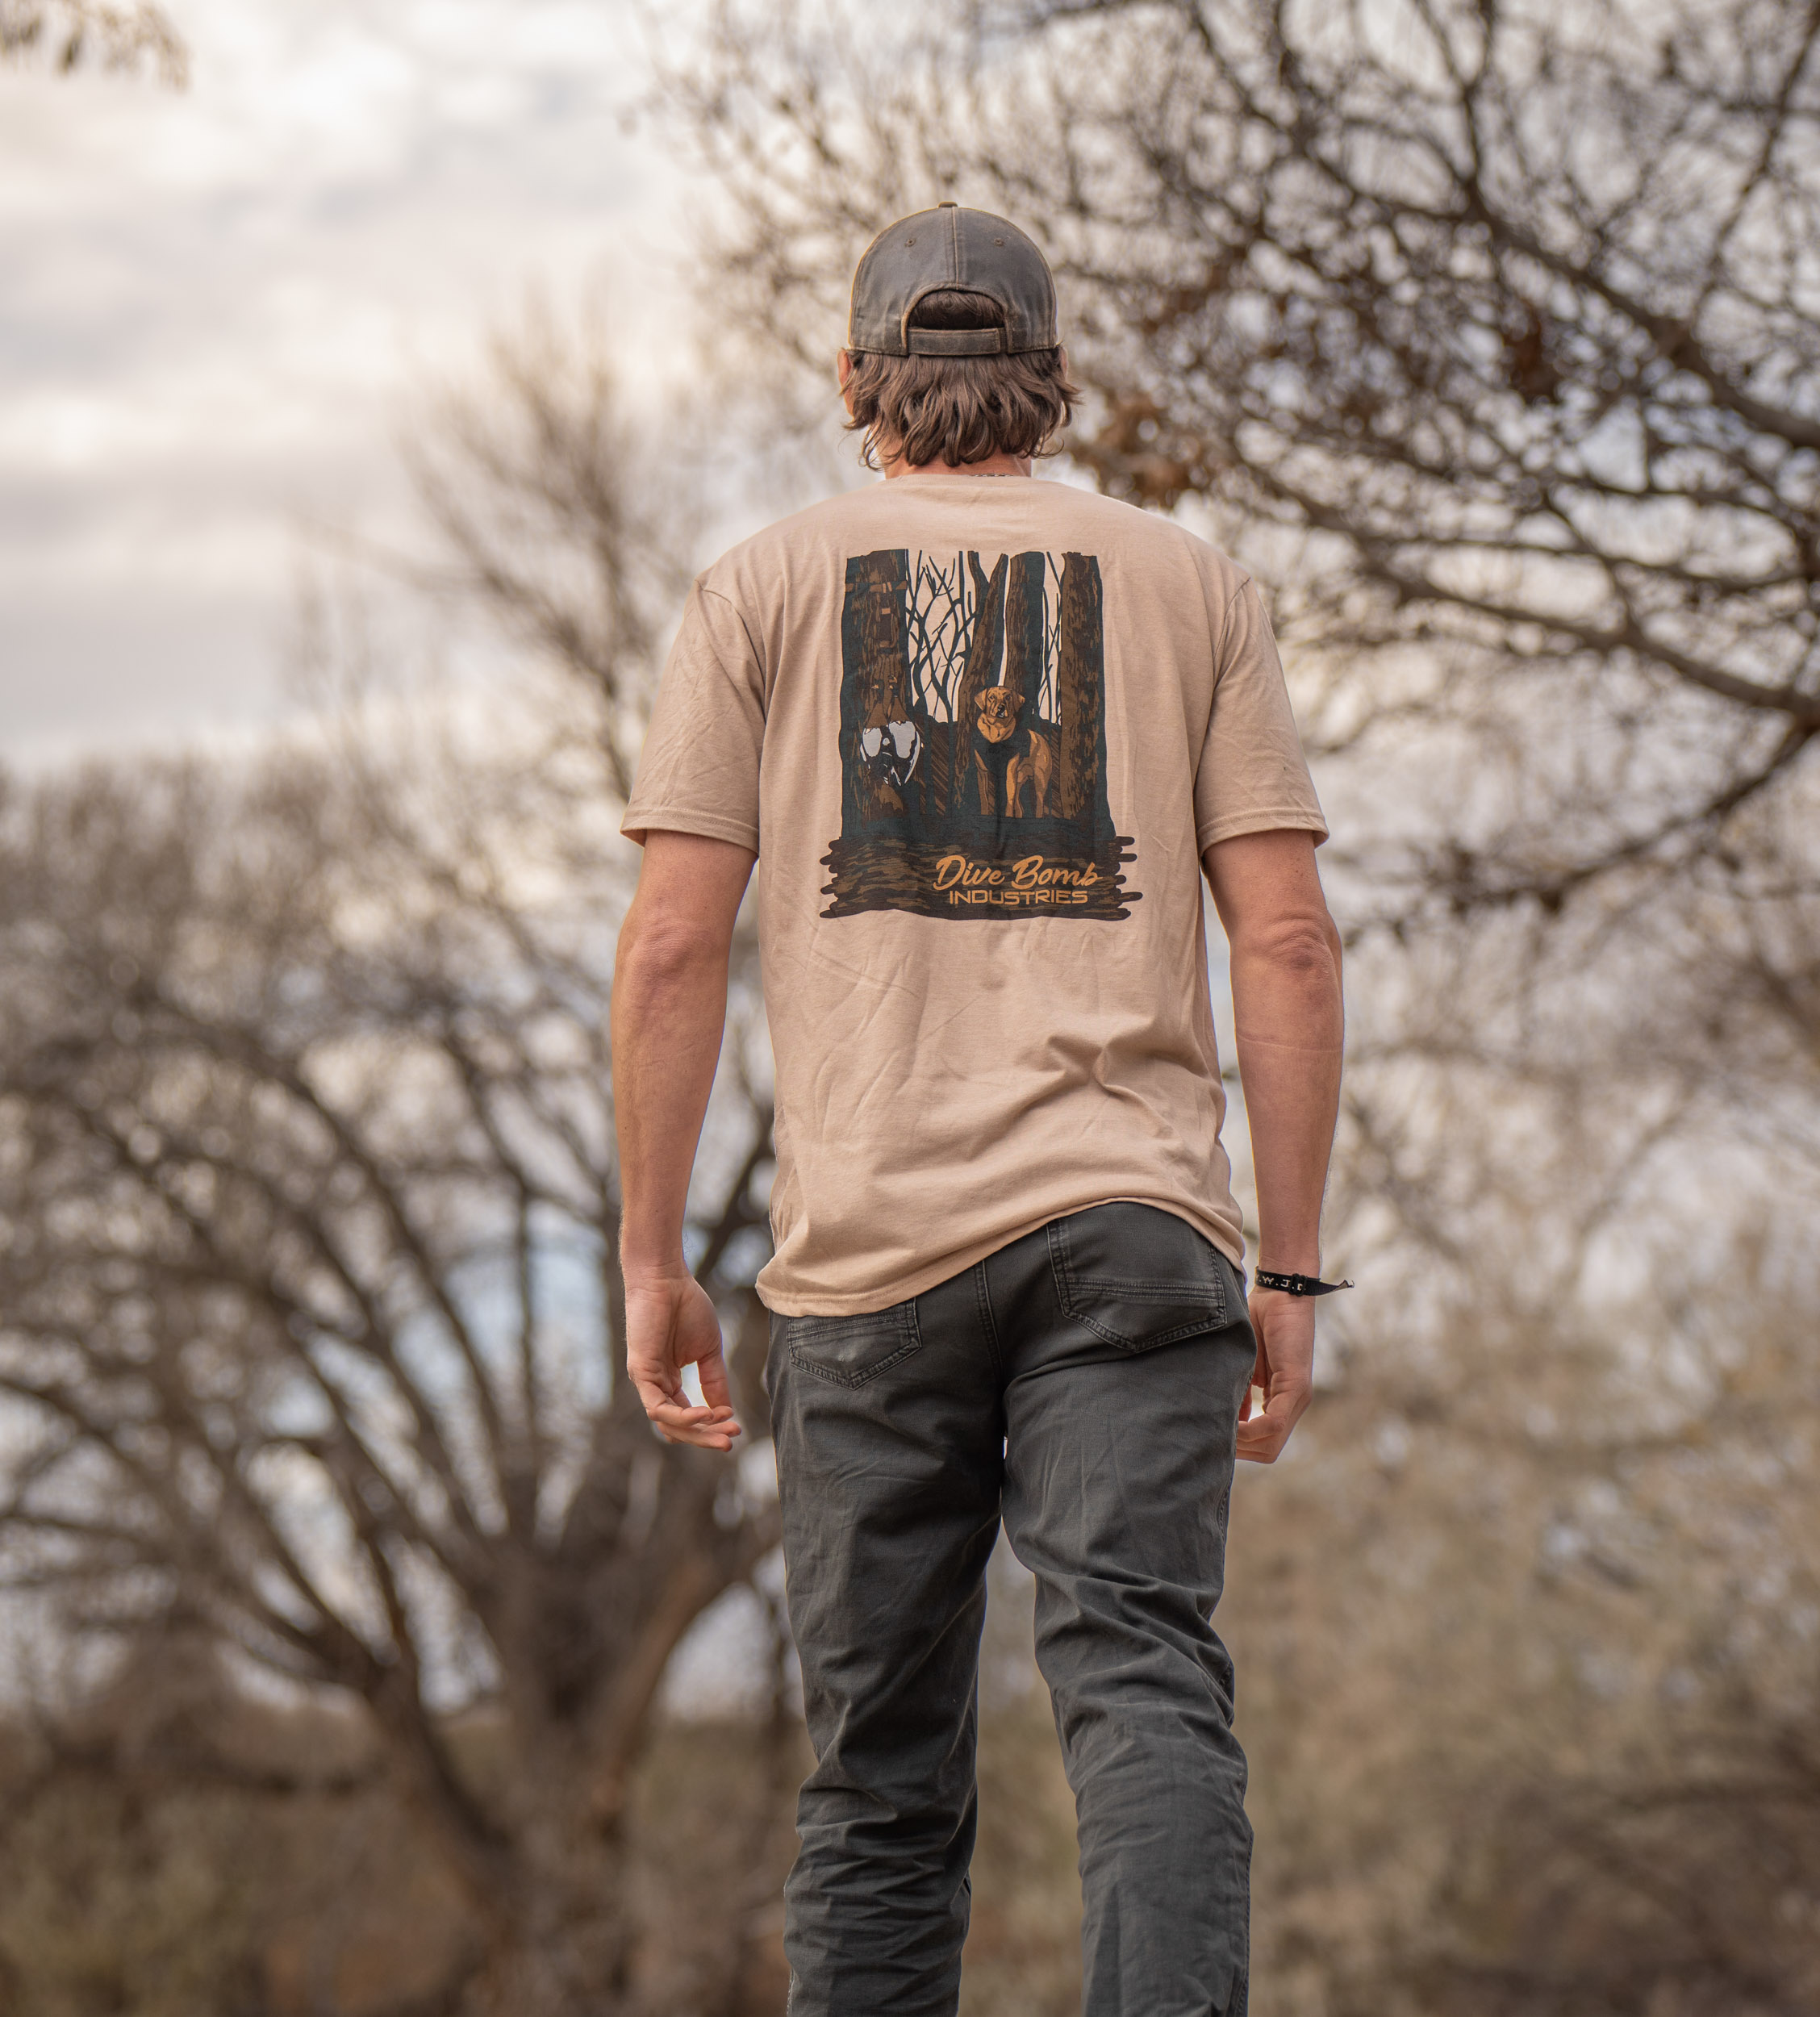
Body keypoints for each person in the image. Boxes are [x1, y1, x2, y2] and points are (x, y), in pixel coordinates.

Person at [611, 202, 1345, 2017]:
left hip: (865, 1262)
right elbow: (1288, 941)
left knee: (877, 1775)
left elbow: (670, 945)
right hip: (1133, 1230)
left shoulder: (757, 590)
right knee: (1144, 1679)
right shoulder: (1193, 586)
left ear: (853, 377)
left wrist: (650, 1256)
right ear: (1055, 380)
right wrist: (1290, 1266)